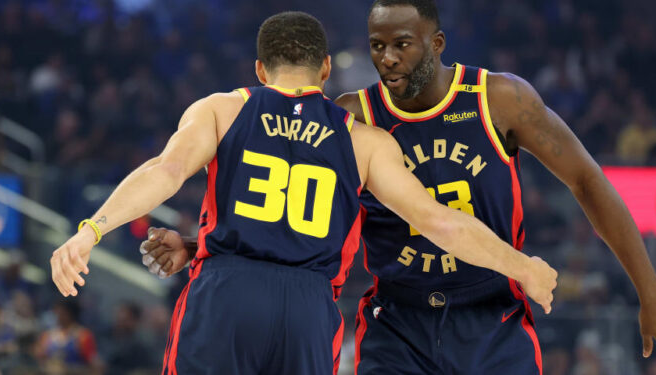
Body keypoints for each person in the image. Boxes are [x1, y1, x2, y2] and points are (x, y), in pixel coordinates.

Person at [140, 1, 656, 373]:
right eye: (377, 46)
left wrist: (651, 292)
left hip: (490, 313)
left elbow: (588, 181)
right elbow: (293, 196)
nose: (387, 58)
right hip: (395, 321)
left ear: (437, 42)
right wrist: (199, 248)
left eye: (402, 44)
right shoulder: (353, 117)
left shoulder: (499, 100)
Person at [50, 11, 557, 375]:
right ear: (325, 70)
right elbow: (439, 222)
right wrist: (523, 266)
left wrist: (91, 230)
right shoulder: (365, 140)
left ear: (259, 70)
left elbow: (165, 171)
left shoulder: (223, 109)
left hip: (227, 290)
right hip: (310, 305)